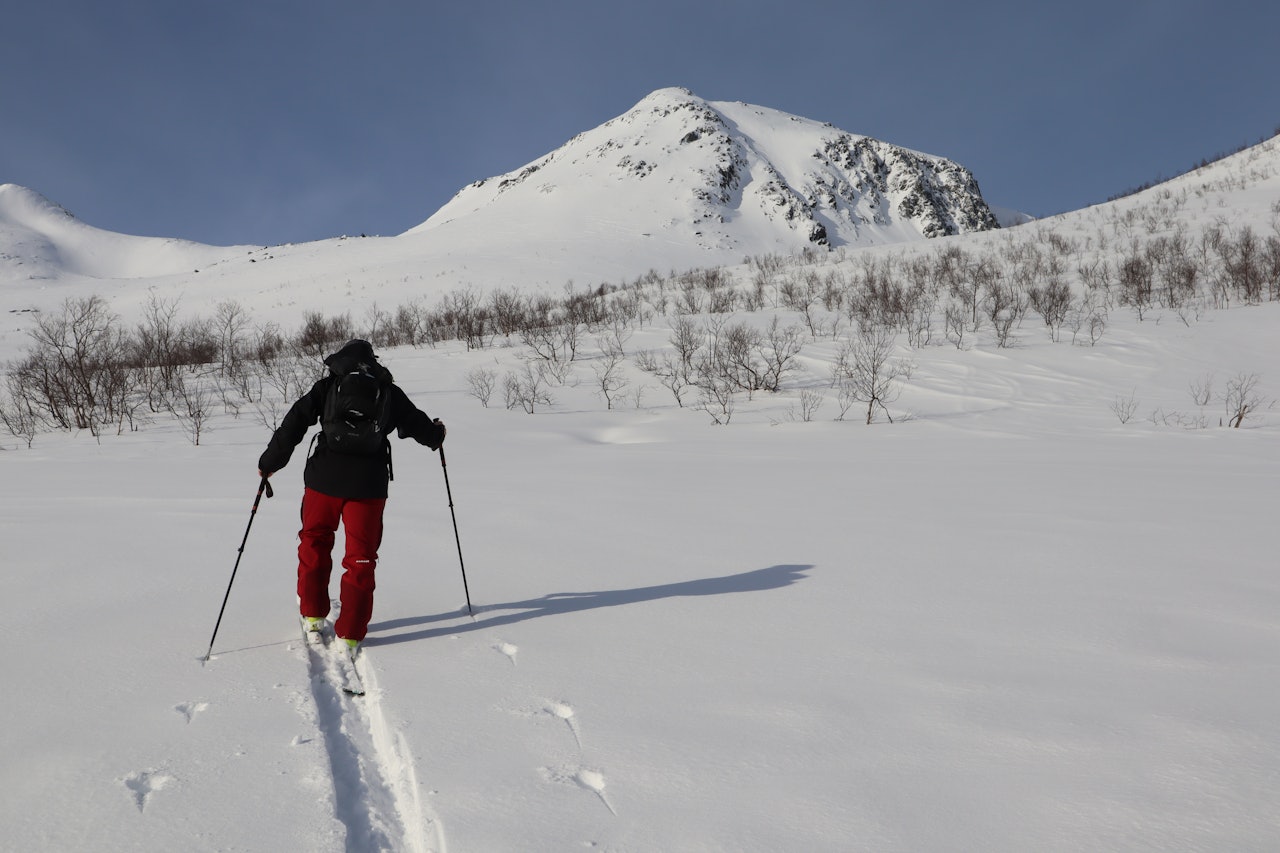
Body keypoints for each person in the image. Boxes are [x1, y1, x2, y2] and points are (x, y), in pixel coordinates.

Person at [257, 339, 445, 655]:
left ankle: (314, 614)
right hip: (368, 487)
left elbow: (294, 423)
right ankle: (351, 632)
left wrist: (269, 464)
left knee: (315, 540)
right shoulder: (388, 391)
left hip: (323, 481)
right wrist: (437, 434)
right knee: (361, 557)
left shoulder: (328, 386)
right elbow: (418, 426)